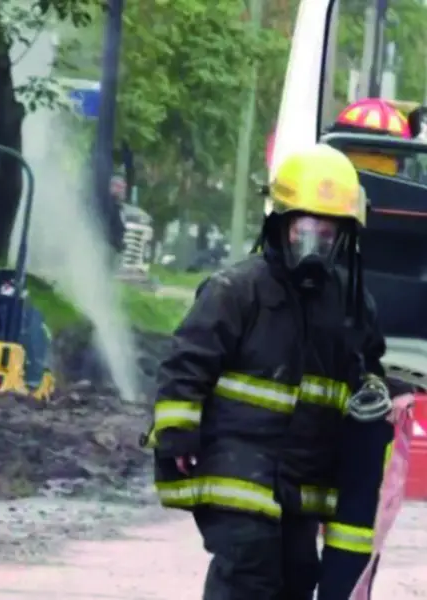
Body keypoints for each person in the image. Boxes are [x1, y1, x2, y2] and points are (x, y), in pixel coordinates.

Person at [142, 144, 391, 599]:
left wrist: (372, 393)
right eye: (304, 227)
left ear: (343, 234)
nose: (314, 241)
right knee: (248, 570)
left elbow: (367, 368)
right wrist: (177, 430)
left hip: (300, 478)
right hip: (234, 467)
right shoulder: (237, 290)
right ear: (280, 224)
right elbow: (186, 361)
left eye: (327, 228)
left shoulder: (352, 304)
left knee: (296, 577)